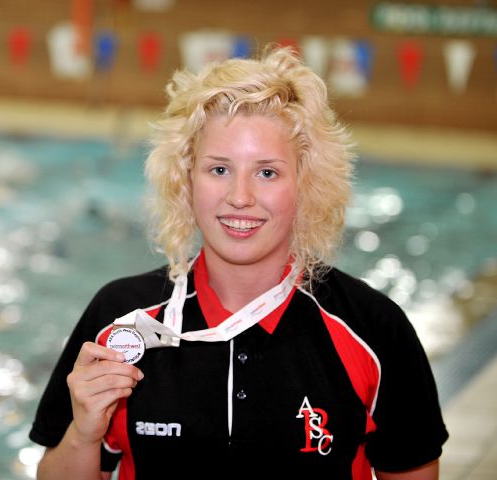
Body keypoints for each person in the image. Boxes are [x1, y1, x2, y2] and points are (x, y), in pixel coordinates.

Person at [29, 46, 448, 479]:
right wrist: (84, 432)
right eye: (219, 170)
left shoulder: (372, 329)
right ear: (186, 179)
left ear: (306, 184)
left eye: (267, 172)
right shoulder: (121, 321)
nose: (240, 197)